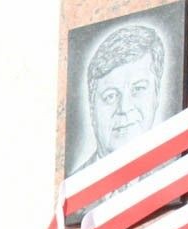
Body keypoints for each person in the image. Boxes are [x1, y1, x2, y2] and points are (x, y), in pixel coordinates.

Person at [71, 24, 166, 175]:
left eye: (138, 89)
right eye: (111, 96)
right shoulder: (73, 188)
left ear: (157, 94)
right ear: (91, 107)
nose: (124, 108)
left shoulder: (173, 173)